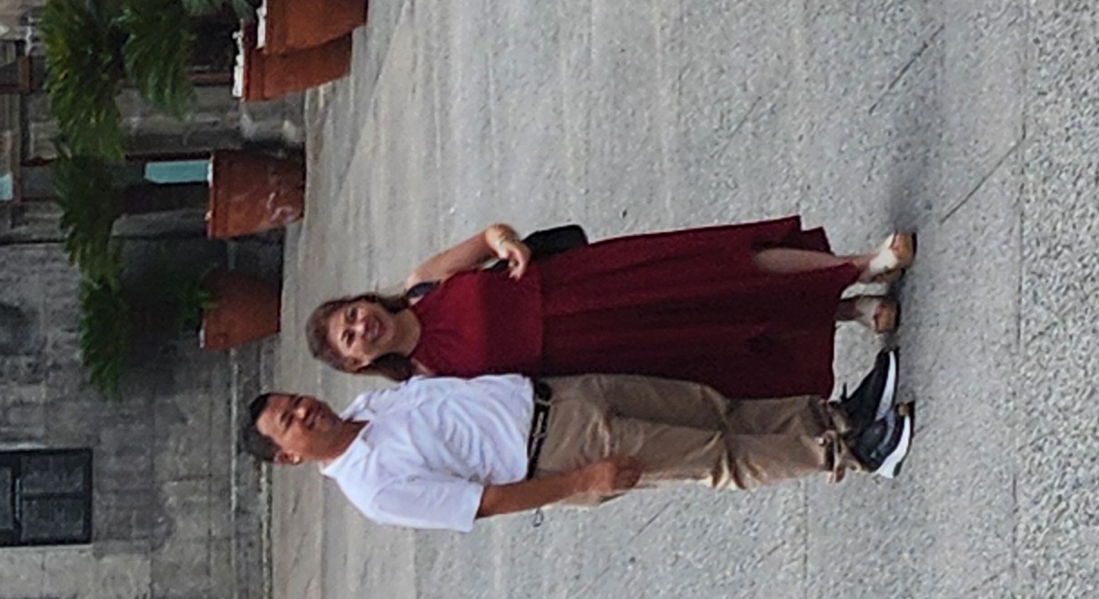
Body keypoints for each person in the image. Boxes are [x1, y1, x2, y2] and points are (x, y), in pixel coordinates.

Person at [247, 369, 898, 536]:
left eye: (296, 400)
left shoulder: (368, 406)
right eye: (289, 421)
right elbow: (483, 503)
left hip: (563, 398)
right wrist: (586, 479)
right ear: (289, 456)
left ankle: (832, 418)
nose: (305, 410)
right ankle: (848, 455)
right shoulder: (372, 488)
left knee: (712, 409)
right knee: (712, 456)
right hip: (564, 451)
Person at [308, 219, 906, 397]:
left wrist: (507, 244)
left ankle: (859, 265)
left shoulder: (423, 283)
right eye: (350, 338)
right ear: (359, 363)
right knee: (718, 332)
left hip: (580, 283)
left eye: (351, 314)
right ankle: (849, 312)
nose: (361, 326)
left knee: (718, 269)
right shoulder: (425, 382)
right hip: (589, 352)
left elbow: (489, 236)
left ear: (363, 300)